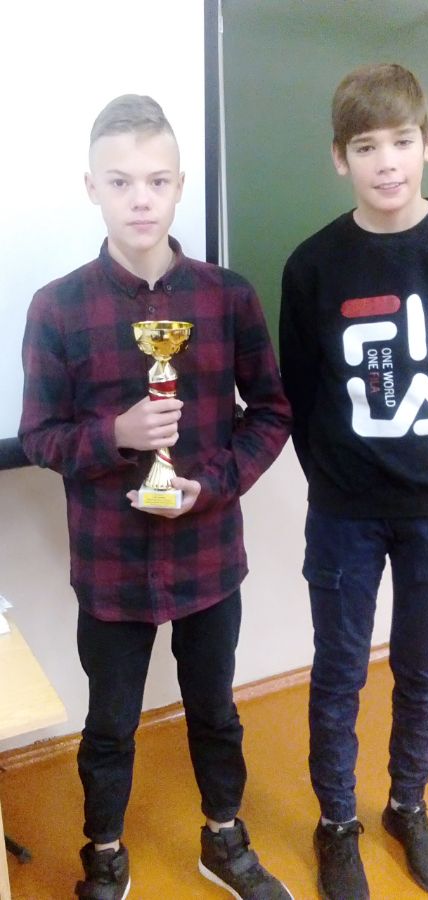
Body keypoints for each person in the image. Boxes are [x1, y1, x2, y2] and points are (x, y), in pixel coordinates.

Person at [19, 94, 293, 900]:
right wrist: (117, 435)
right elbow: (40, 437)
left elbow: (272, 411)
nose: (140, 199)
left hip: (209, 555)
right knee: (109, 724)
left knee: (216, 710)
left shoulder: (227, 297)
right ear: (91, 188)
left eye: (157, 181)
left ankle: (224, 839)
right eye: (120, 182)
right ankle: (104, 852)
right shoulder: (57, 307)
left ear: (179, 187)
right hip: (112, 566)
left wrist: (214, 484)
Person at [279, 63, 428, 900]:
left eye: (402, 141)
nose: (387, 162)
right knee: (339, 671)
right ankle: (336, 822)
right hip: (345, 511)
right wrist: (340, 477)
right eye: (367, 146)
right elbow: (301, 389)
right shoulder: (312, 265)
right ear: (340, 157)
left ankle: (408, 805)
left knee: (423, 666)